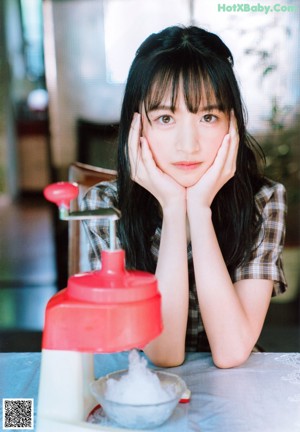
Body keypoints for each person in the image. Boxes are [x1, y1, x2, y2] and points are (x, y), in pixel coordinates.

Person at [82, 25, 287, 368]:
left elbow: (232, 351)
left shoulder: (264, 201)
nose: (187, 144)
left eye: (208, 116)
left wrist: (200, 210)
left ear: (232, 126)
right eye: (165, 118)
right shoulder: (104, 208)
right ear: (137, 127)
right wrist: (175, 209)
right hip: (137, 383)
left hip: (235, 392)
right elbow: (162, 353)